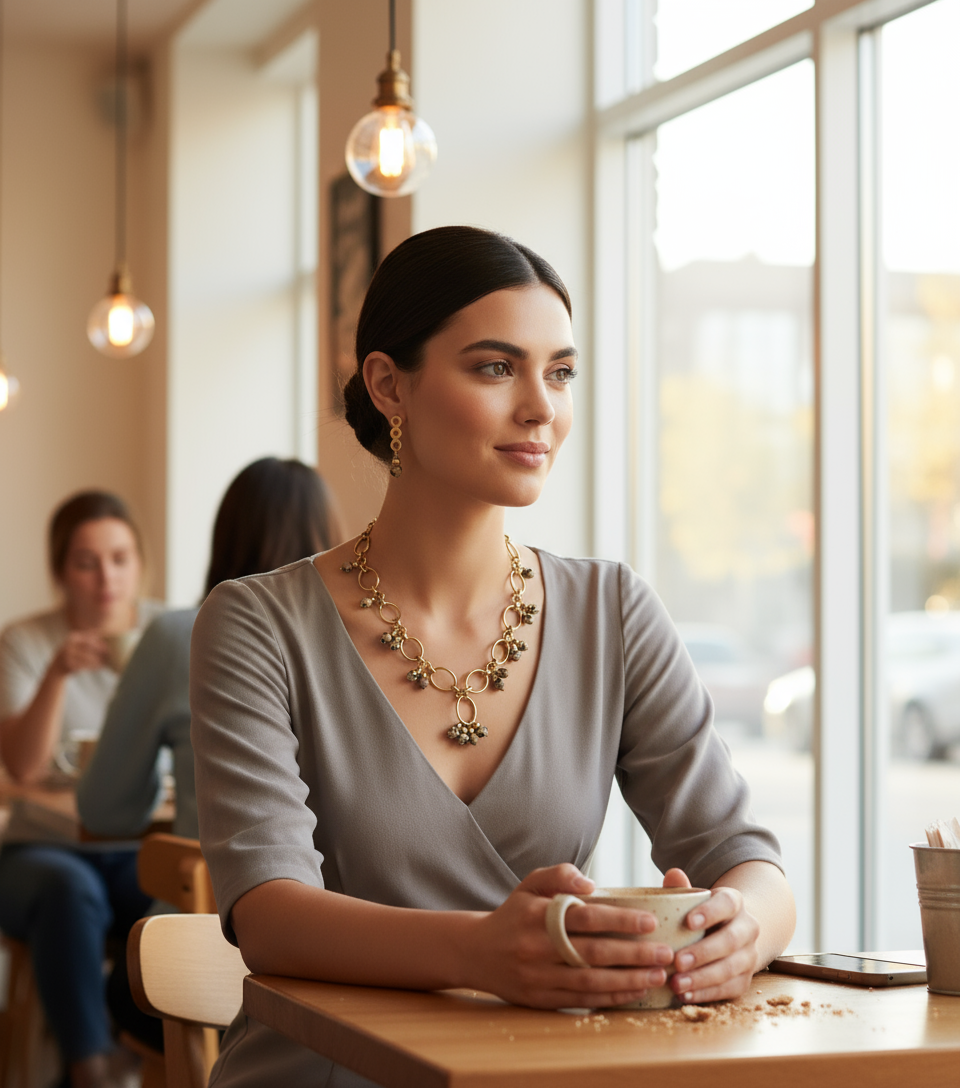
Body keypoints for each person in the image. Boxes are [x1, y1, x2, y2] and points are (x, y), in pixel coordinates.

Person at [190, 226, 797, 1088]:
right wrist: (480, 951)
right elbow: (270, 916)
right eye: (494, 367)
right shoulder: (255, 623)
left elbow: (746, 857)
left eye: (560, 371)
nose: (542, 406)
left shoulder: (613, 610)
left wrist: (744, 931)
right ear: (388, 385)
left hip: (546, 1073)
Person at [78, 457, 341, 843]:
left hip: (209, 899)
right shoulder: (378, 641)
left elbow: (105, 810)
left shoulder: (177, 635)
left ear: (226, 536)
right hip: (359, 902)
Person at [0, 490, 163, 1088]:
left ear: (140, 563)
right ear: (60, 571)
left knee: (176, 897)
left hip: (133, 849)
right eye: (86, 562)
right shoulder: (27, 642)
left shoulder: (166, 634)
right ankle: (92, 1069)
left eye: (120, 558)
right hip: (37, 851)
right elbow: (20, 766)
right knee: (71, 889)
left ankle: (144, 1054)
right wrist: (57, 675)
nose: (106, 579)